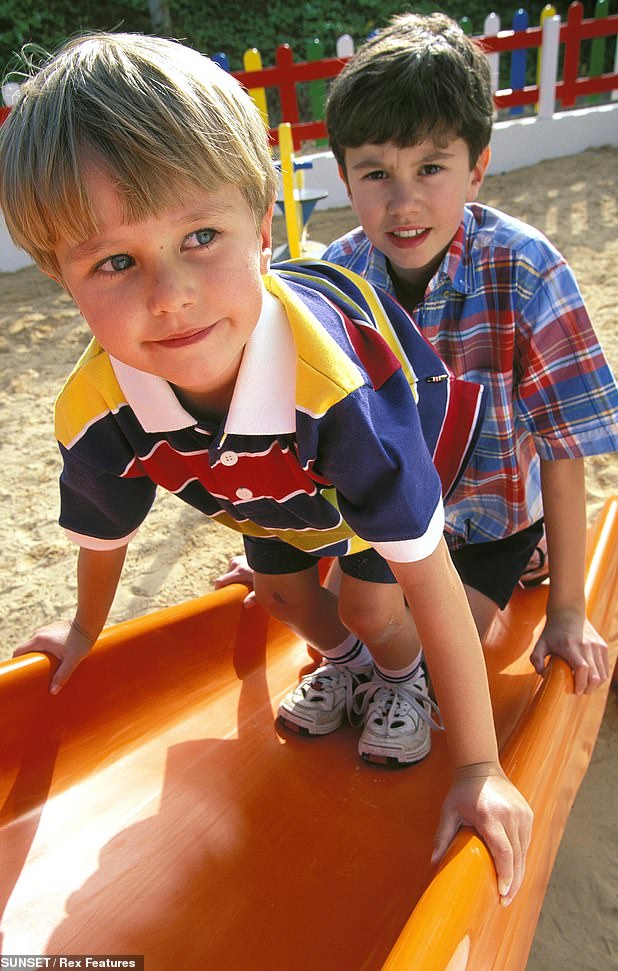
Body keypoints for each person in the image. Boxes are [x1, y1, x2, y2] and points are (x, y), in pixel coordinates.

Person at [0, 31, 532, 904]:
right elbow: (102, 530)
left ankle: (398, 678)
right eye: (114, 261)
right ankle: (352, 660)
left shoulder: (337, 388)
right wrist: (85, 630)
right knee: (284, 595)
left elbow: (427, 571)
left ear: (266, 229)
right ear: (62, 277)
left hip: (390, 440)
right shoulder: (97, 406)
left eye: (201, 235)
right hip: (268, 489)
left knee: (374, 595)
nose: (170, 295)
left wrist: (480, 764)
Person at [219, 11, 618, 696]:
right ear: (346, 178)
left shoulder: (526, 271)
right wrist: (283, 544)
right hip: (383, 520)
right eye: (376, 173)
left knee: (440, 662)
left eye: (431, 167)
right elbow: (298, 425)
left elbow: (562, 440)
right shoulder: (333, 282)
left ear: (476, 170)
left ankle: (537, 559)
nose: (404, 203)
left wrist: (569, 610)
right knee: (348, 633)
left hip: (489, 521)